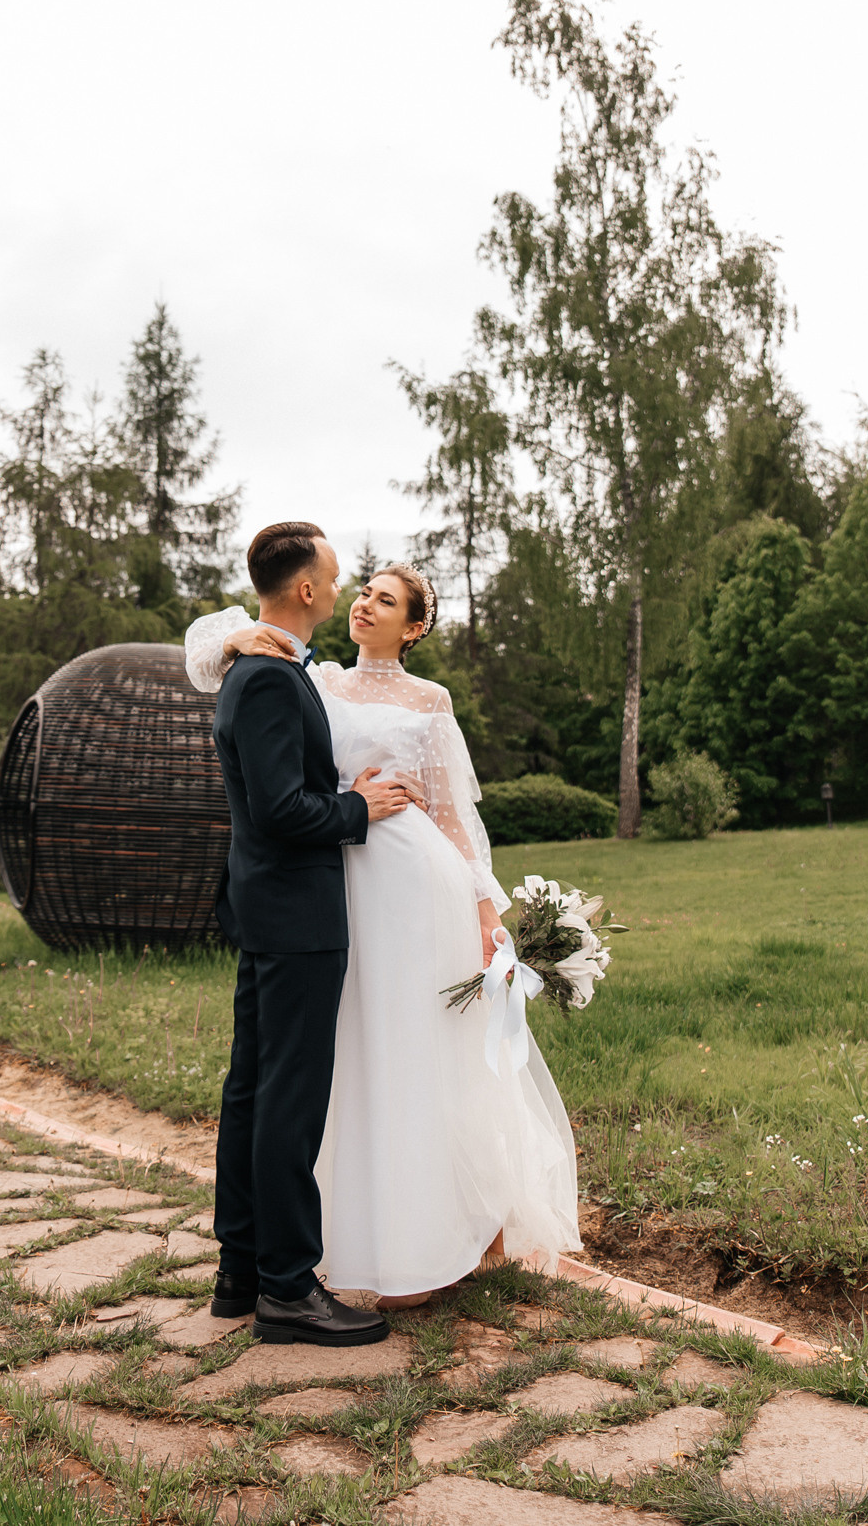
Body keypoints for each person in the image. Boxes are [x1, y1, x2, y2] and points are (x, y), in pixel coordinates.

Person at [189, 542, 582, 1312]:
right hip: (332, 871)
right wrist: (231, 636)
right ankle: (315, 1246)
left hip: (407, 881)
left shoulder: (429, 702)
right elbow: (209, 658)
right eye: (358, 589)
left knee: (402, 1051)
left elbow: (452, 818)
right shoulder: (311, 675)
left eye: (385, 600)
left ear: (411, 630)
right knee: (320, 1067)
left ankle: (420, 1232)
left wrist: (484, 908)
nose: (363, 601)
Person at [205, 522, 414, 1348]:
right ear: (306, 590)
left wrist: (338, 788)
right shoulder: (263, 677)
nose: (339, 589)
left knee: (254, 1092)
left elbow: (284, 787)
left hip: (270, 911)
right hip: (295, 916)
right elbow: (283, 811)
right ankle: (289, 1289)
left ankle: (243, 1273)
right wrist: (361, 808)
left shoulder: (258, 666)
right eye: (333, 577)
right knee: (287, 1101)